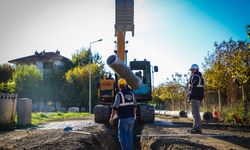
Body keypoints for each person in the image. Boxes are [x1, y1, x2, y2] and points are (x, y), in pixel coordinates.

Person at [110, 78, 137, 150]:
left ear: (119, 86)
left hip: (124, 118)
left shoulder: (119, 95)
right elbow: (135, 105)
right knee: (129, 135)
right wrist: (134, 115)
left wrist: (112, 118)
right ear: (126, 85)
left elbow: (115, 107)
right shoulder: (131, 94)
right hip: (131, 118)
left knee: (122, 136)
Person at [187, 64, 204, 134]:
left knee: (196, 113)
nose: (191, 71)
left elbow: (194, 88)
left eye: (192, 69)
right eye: (191, 70)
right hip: (197, 97)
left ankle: (198, 128)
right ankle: (195, 127)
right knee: (194, 112)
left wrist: (190, 97)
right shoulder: (199, 76)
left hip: (195, 97)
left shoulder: (196, 77)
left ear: (196, 69)